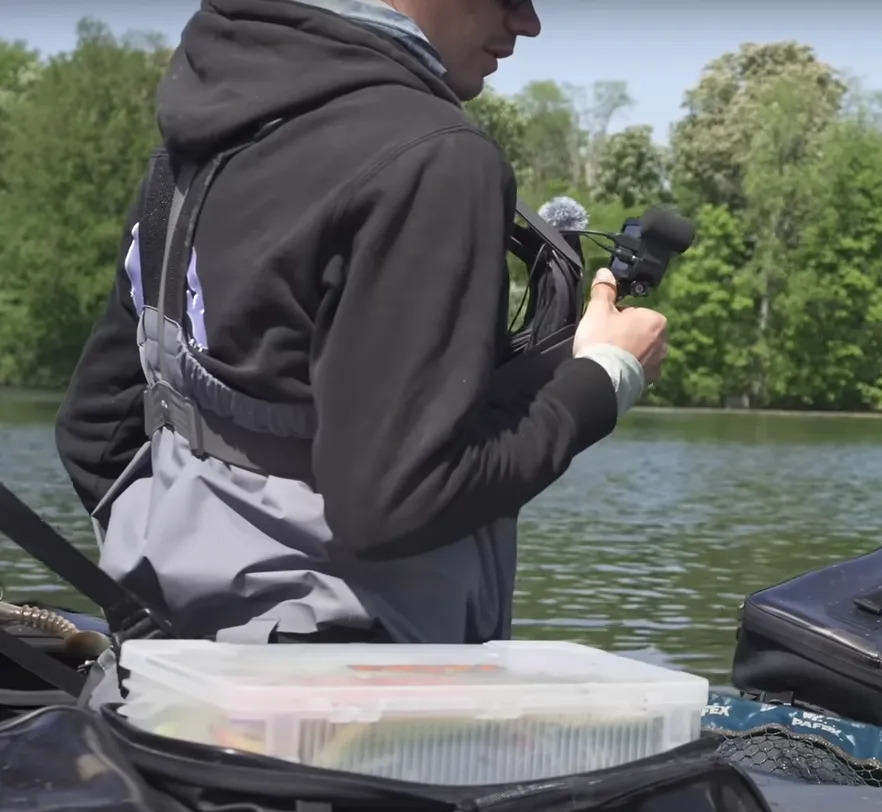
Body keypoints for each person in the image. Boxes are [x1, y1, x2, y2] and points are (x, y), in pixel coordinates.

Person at [53, 0, 668, 652]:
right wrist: (605, 377)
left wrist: (165, 604)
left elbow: (97, 433)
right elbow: (399, 501)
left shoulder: (195, 143)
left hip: (164, 668)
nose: (528, 22)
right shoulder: (435, 156)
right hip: (352, 702)